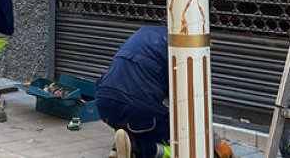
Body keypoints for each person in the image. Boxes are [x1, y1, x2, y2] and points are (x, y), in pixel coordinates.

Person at [96, 26, 233, 158]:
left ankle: (120, 146)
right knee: (182, 137)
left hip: (104, 102)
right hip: (136, 108)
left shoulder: (145, 33)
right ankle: (138, 148)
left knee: (137, 120)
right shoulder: (182, 49)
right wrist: (215, 143)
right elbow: (189, 105)